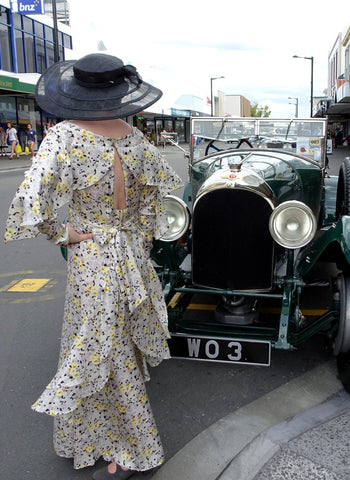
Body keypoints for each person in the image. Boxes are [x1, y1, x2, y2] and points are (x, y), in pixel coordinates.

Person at [4, 53, 182, 480]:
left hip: (92, 258)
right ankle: (100, 438)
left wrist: (62, 234)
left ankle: (129, 445)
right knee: (113, 342)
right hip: (130, 255)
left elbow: (31, 202)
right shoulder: (137, 139)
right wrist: (136, 245)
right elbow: (151, 208)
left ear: (78, 92)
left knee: (101, 345)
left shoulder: (65, 137)